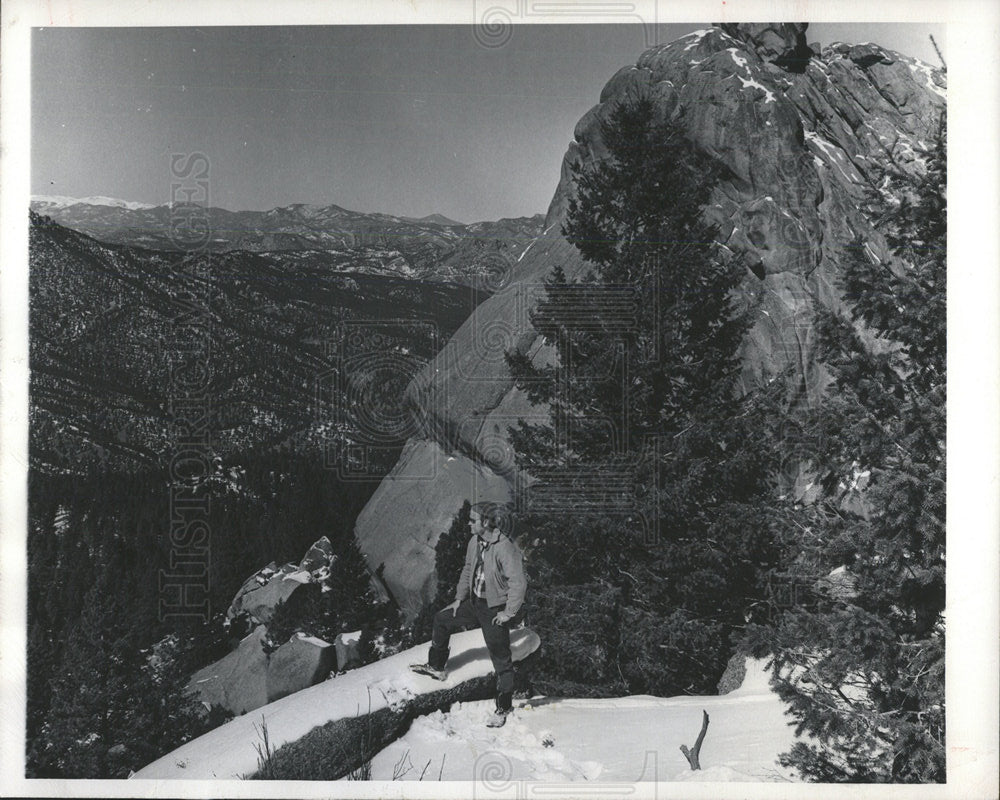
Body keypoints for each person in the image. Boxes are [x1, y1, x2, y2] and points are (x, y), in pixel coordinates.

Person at [410, 500, 527, 728]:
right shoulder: (475, 541)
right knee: (441, 620)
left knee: (501, 659)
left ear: (486, 522)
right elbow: (467, 569)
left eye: (473, 520)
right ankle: (436, 667)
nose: (468, 524)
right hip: (474, 603)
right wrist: (458, 599)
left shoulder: (504, 547)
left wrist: (507, 613)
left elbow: (518, 583)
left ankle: (503, 707)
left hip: (494, 609)